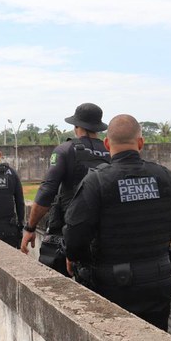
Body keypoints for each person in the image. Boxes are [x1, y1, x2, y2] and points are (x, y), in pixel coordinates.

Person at [63, 114, 171, 331]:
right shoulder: (166, 177)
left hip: (111, 287)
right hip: (157, 283)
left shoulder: (97, 181)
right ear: (140, 143)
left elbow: (75, 237)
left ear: (107, 144)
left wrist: (77, 258)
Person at [21, 102, 110, 275]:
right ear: (98, 127)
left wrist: (30, 228)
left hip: (70, 233)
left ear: (77, 126)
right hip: (105, 233)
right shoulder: (110, 152)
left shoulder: (66, 150)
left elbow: (47, 191)